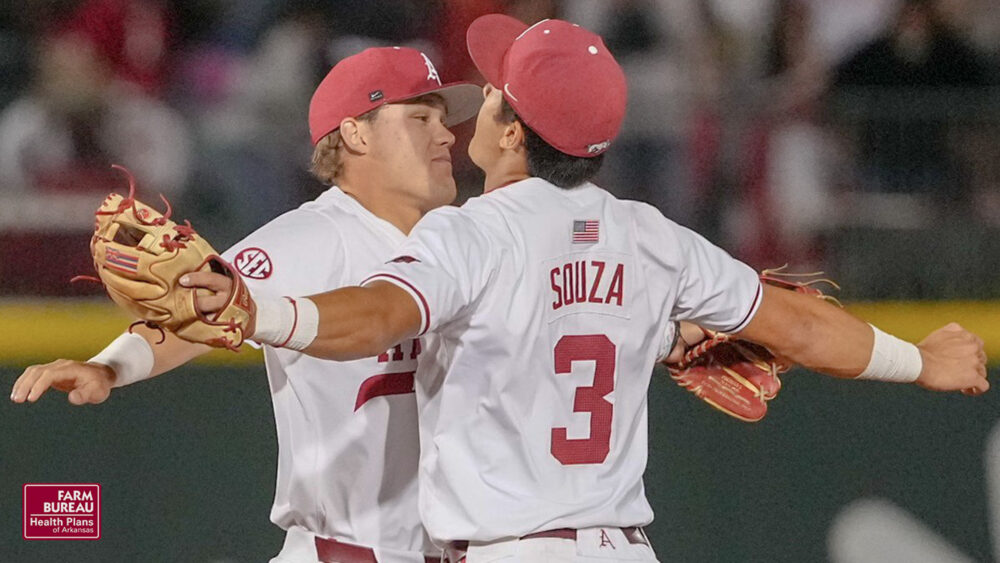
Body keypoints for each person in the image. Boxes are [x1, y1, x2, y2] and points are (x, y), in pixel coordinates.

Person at [183, 15, 989, 562]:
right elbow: (804, 330)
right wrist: (920, 360)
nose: (473, 112)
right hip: (625, 547)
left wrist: (265, 312)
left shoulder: (470, 233)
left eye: (492, 94)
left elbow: (377, 314)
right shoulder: (652, 237)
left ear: (510, 129)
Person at [10, 46, 483, 563]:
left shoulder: (465, 241)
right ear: (356, 134)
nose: (445, 134)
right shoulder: (312, 237)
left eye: (443, 119)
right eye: (420, 117)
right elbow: (195, 314)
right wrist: (107, 367)